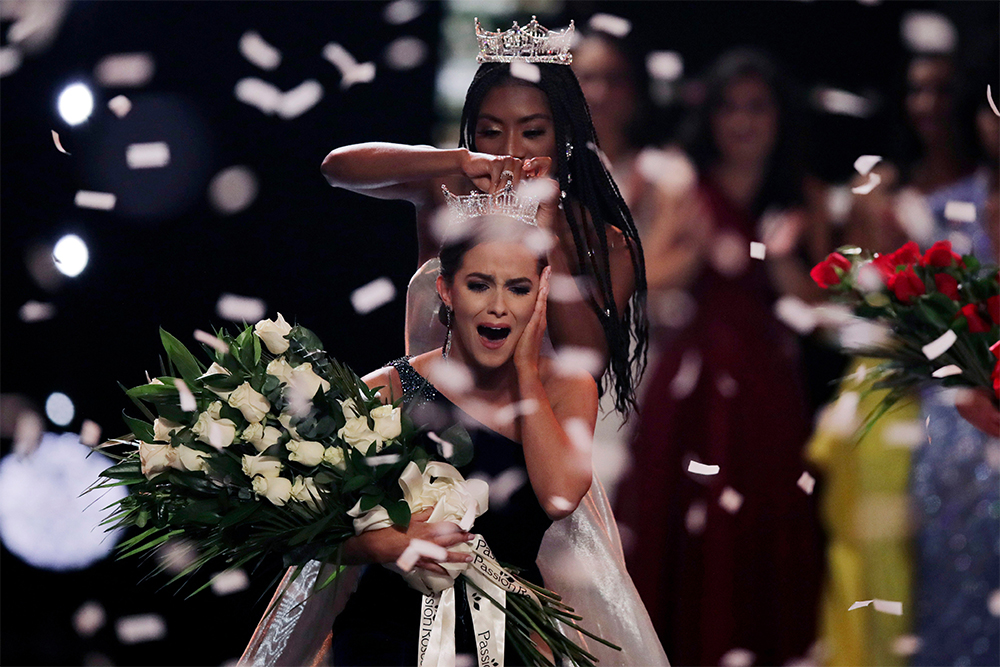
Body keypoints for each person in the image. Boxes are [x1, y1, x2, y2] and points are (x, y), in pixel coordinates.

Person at [240, 209, 668, 666]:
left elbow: (559, 499)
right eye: (479, 285)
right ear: (445, 289)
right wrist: (385, 544)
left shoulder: (568, 388)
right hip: (386, 637)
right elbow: (299, 534)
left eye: (519, 288)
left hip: (507, 638)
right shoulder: (385, 390)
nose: (499, 306)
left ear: (541, 293)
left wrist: (526, 370)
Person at [321, 17, 648, 418]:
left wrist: (548, 242)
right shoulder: (447, 190)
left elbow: (587, 363)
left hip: (531, 451)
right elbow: (336, 167)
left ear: (564, 138)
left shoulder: (607, 243)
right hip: (422, 440)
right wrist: (456, 158)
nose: (509, 152)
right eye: (491, 132)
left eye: (532, 133)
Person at [613, 48, 824, 666]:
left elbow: (815, 313)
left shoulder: (801, 194)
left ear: (779, 117)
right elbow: (646, 285)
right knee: (682, 524)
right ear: (710, 117)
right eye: (730, 108)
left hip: (768, 387)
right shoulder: (685, 187)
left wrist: (779, 258)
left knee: (762, 526)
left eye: (757, 108)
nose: (742, 122)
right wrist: (697, 246)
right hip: (694, 383)